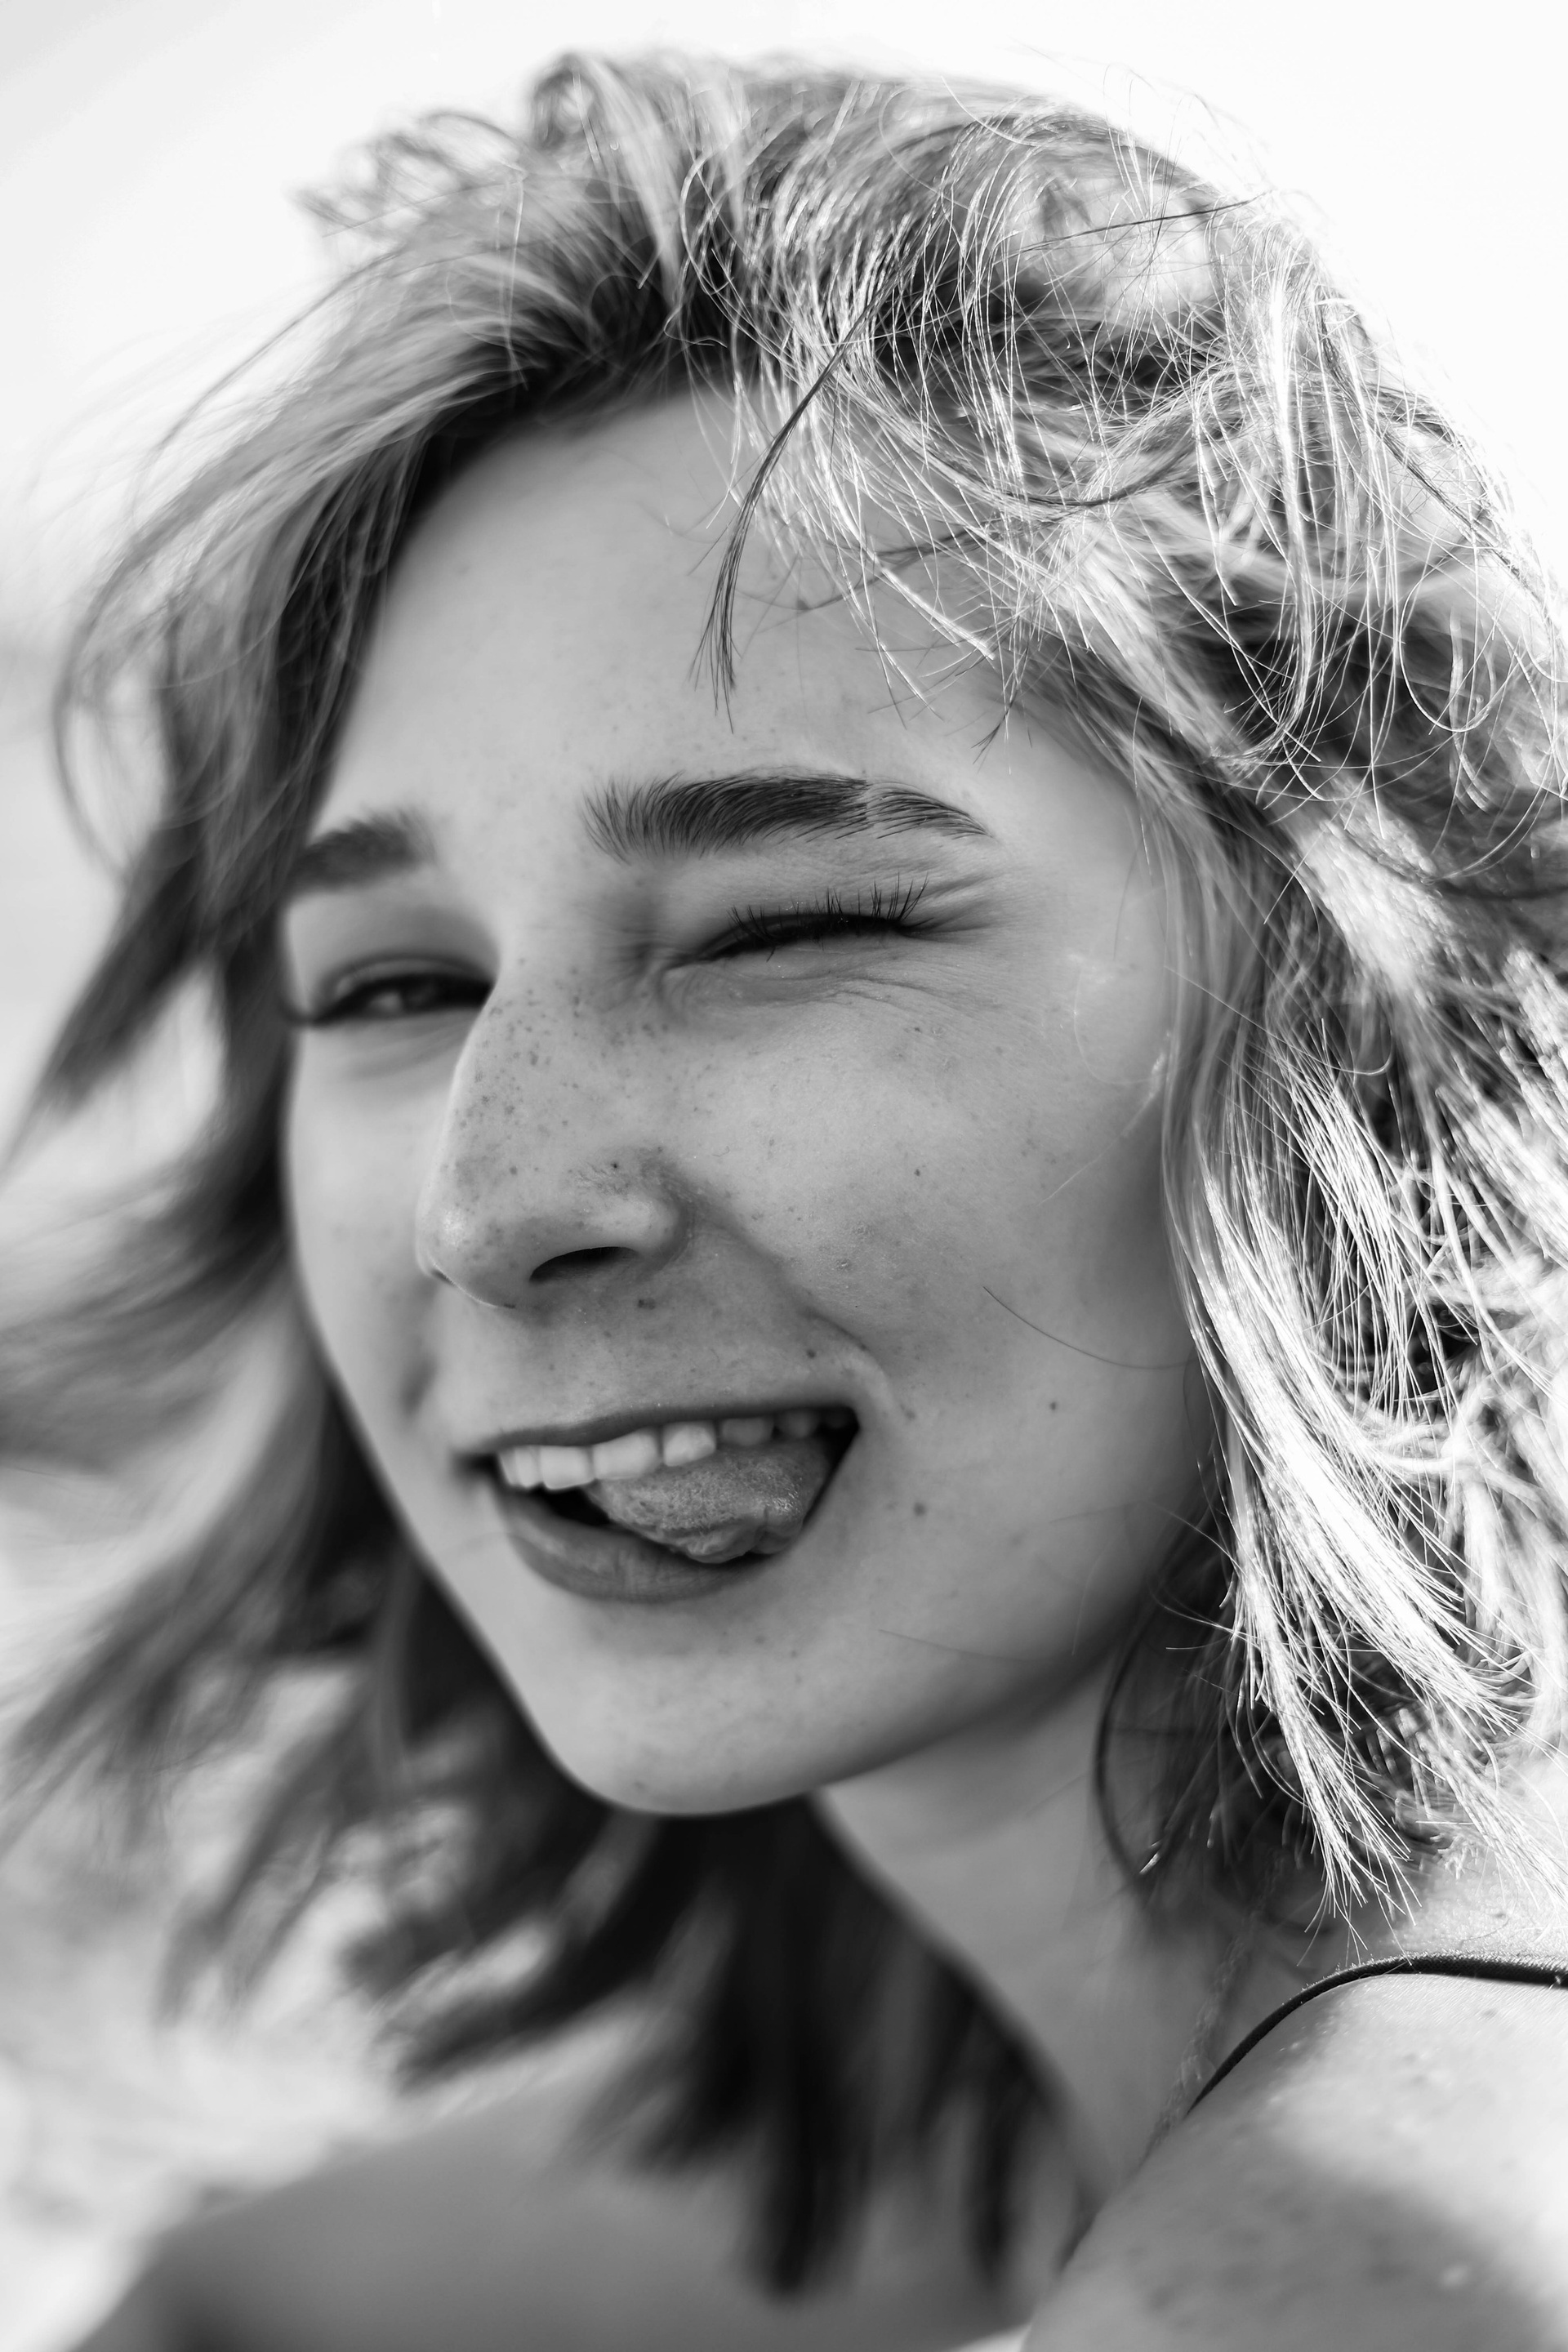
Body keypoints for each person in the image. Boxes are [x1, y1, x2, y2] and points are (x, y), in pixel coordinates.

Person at [5, 47, 1568, 2351]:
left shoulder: (1349, 2278)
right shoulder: (1028, 2133)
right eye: (397, 985)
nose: (489, 1204)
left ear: (1369, 1005)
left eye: (785, 928)